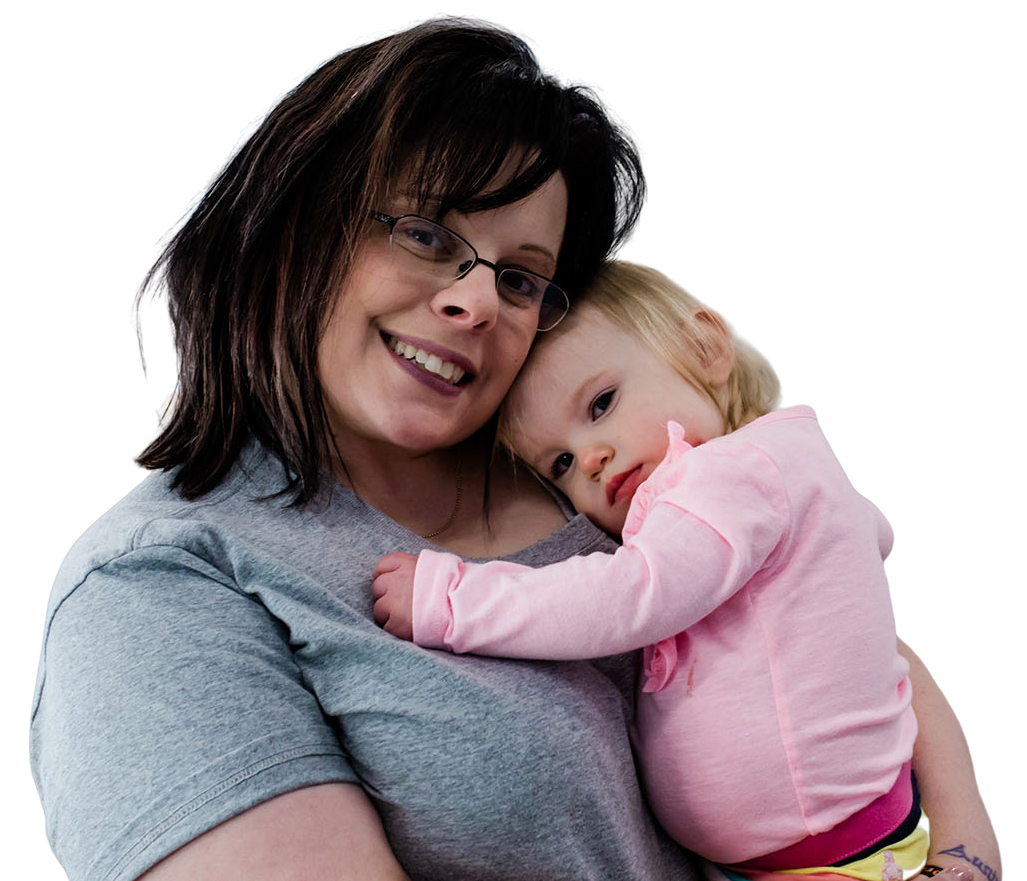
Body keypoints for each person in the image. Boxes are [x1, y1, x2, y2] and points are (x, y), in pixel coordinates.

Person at [28, 14, 997, 881]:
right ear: (290, 223)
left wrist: (963, 849)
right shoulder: (159, 591)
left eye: (522, 276)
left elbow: (855, 642)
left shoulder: (609, 477)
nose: (477, 299)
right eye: (425, 232)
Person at [370, 258, 929, 876]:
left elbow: (633, 594)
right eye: (558, 463)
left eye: (602, 403)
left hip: (841, 860)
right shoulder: (774, 475)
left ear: (703, 349)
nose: (590, 458)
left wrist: (454, 600)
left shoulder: (736, 472)